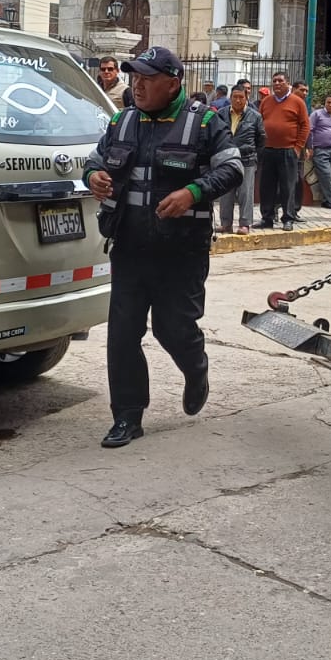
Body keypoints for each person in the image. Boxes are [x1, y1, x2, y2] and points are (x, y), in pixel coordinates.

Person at [81, 46, 242, 448]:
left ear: (173, 83)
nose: (137, 85)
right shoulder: (122, 120)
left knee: (173, 329)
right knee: (122, 334)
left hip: (180, 251)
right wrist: (94, 177)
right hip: (129, 245)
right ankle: (128, 417)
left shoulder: (204, 121)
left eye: (147, 79)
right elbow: (94, 161)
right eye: (134, 77)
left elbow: (233, 168)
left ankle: (195, 366)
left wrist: (192, 192)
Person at [257, 70, 308, 231]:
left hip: (288, 151)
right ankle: (267, 218)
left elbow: (305, 125)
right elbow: (259, 123)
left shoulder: (297, 102)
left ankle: (288, 218)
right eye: (275, 81)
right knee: (266, 186)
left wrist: (298, 147)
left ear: (288, 84)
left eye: (280, 81)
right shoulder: (266, 102)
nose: (277, 84)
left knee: (288, 186)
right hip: (268, 150)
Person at [218, 84, 263, 234]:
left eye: (241, 97)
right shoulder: (221, 114)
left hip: (247, 160)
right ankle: (226, 224)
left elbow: (261, 138)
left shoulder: (255, 116)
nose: (238, 100)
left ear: (246, 98)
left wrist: (252, 152)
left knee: (245, 193)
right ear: (230, 98)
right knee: (225, 193)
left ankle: (245, 224)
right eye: (235, 97)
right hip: (226, 159)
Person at [307, 93, 331, 210]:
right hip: (320, 150)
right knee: (326, 176)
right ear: (325, 103)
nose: (330, 105)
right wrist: (310, 147)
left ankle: (326, 201)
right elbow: (310, 131)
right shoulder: (316, 115)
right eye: (328, 102)